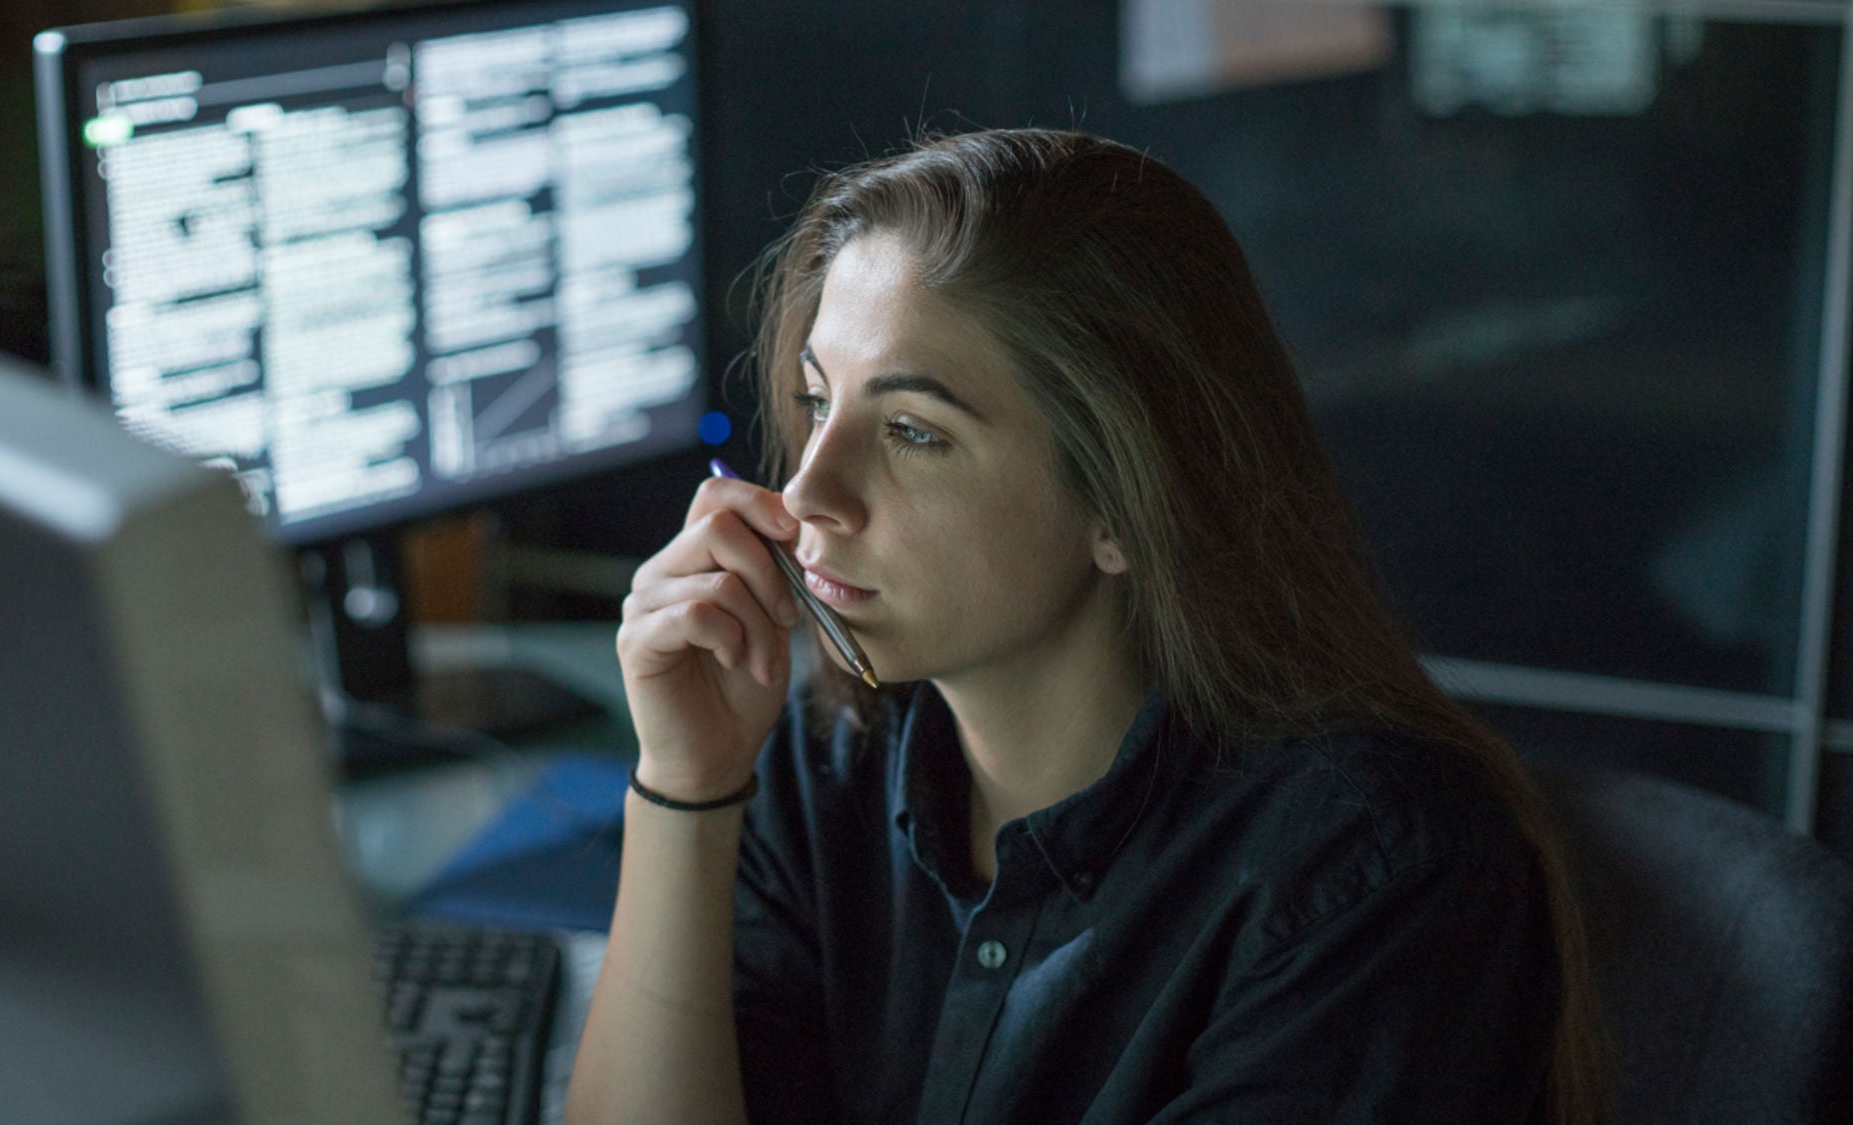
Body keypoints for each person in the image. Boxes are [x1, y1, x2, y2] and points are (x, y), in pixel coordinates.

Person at [567, 128, 1606, 1124]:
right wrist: (686, 786)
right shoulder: (821, 761)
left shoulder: (1371, 877)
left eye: (912, 432)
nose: (807, 488)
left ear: (1122, 504)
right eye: (813, 399)